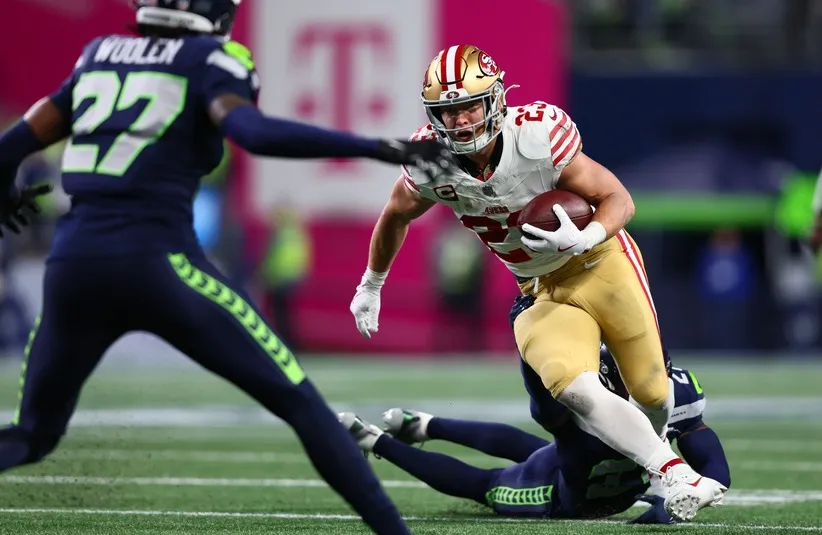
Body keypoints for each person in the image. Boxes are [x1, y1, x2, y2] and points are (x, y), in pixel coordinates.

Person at [0, 2, 461, 534]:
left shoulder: (97, 55)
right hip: (159, 264)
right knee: (300, 402)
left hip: (73, 268)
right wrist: (377, 147)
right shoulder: (210, 58)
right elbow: (253, 132)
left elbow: (11, 146)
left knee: (33, 434)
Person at [348, 44, 726, 520]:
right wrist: (371, 283)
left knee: (652, 393)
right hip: (537, 285)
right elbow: (395, 215)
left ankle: (656, 468)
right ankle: (675, 474)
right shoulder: (429, 160)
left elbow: (618, 199)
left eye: (469, 105)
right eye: (449, 110)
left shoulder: (538, 134)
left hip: (600, 260)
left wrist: (585, 235)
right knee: (573, 387)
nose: (461, 121)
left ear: (496, 100)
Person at [339, 344, 730, 523]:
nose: (648, 384)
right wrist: (530, 348)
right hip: (561, 495)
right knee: (489, 483)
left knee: (543, 449)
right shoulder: (586, 398)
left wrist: (687, 498)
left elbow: (714, 468)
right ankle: (375, 440)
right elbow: (543, 405)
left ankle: (423, 425)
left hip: (594, 477)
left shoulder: (679, 393)